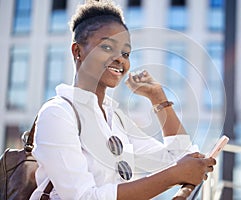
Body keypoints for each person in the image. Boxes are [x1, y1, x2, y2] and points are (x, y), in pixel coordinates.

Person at [30, 1, 216, 199]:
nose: (120, 59)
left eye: (126, 53)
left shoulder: (114, 119)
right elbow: (84, 197)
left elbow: (179, 156)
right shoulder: (58, 113)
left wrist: (158, 98)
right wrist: (173, 176)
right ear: (78, 52)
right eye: (108, 47)